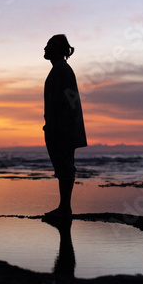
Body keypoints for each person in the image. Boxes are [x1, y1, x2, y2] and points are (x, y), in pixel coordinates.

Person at [43, 34, 87, 219]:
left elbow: (67, 100)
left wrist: (56, 123)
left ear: (58, 49)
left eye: (48, 45)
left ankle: (64, 208)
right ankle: (64, 207)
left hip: (63, 127)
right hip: (61, 125)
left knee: (65, 166)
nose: (45, 48)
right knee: (64, 166)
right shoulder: (60, 69)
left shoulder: (62, 69)